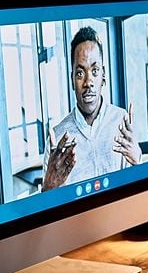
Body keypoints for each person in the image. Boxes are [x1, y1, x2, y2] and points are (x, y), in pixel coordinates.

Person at [42, 26, 141, 191]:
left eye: (95, 71)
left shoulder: (122, 121)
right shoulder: (57, 138)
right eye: (80, 73)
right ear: (72, 80)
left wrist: (138, 161)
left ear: (103, 76)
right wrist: (48, 187)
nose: (88, 82)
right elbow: (45, 209)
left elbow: (137, 191)